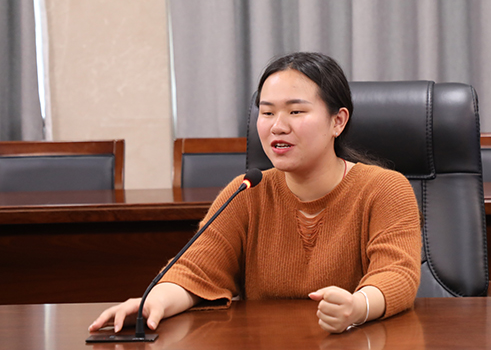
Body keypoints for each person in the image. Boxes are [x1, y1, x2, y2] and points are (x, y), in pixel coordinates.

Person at [88, 52, 422, 334]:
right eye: (267, 112)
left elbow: (398, 273)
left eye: (296, 111)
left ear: (338, 121)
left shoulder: (384, 189)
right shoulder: (247, 191)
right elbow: (195, 271)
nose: (278, 126)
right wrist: (153, 303)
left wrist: (358, 307)